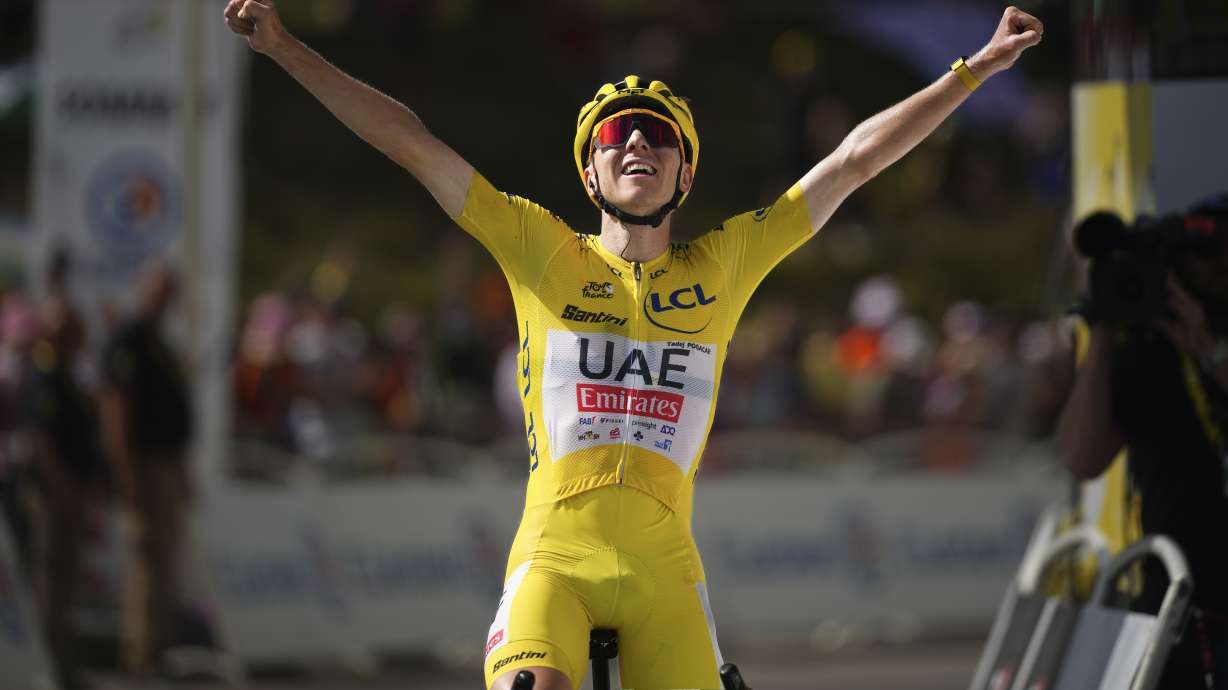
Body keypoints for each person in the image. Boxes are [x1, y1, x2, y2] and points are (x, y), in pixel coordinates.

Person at [223, 3, 1043, 688]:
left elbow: (855, 160)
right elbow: (407, 140)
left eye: (660, 135)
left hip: (666, 575)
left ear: (685, 175)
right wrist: (287, 48)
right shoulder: (539, 247)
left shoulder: (724, 265)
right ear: (590, 172)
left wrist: (974, 69)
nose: (637, 144)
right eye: (616, 133)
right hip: (556, 558)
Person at [1057, 198, 1228, 689]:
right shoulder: (1146, 352)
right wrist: (1103, 328)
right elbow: (1081, 456)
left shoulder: (1211, 339)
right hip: (1177, 608)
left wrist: (1210, 352)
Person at [98, 262, 194, 676]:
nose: (164, 297)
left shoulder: (159, 341)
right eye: (159, 289)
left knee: (165, 562)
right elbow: (116, 411)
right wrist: (127, 474)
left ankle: (158, 649)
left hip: (167, 464)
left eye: (169, 290)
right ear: (143, 290)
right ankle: (139, 657)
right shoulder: (130, 339)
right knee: (146, 563)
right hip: (145, 465)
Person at [19, 252, 104, 690]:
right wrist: (62, 487)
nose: (78, 332)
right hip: (53, 493)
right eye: (70, 326)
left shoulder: (73, 374)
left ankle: (64, 666)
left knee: (67, 583)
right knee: (51, 581)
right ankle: (49, 668)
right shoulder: (46, 373)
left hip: (73, 489)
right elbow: (42, 438)